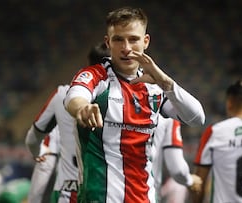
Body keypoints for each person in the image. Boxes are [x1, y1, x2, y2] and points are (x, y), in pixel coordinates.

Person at [64, 6, 205, 203]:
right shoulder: (96, 76)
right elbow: (75, 96)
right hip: (99, 197)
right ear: (108, 42)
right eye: (118, 39)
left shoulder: (155, 88)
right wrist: (82, 108)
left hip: (144, 197)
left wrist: (164, 81)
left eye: (133, 39)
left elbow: (197, 118)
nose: (126, 48)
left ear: (145, 41)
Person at [25, 42, 110, 203]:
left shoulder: (62, 94)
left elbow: (33, 138)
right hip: (109, 192)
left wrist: (38, 152)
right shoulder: (125, 98)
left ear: (88, 65)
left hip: (68, 190)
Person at [152, 115, 202, 203]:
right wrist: (190, 180)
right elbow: (177, 169)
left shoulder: (120, 109)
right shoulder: (167, 115)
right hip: (144, 193)